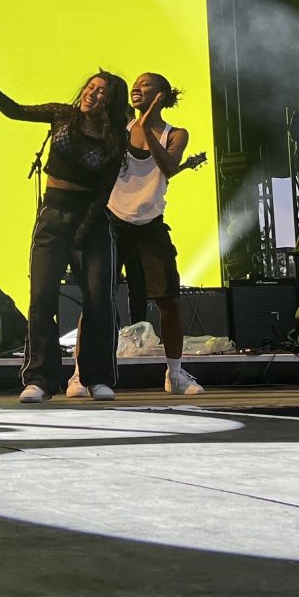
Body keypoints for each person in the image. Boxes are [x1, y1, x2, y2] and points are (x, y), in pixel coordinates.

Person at [0, 70, 132, 403]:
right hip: (53, 215)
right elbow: (17, 111)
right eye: (90, 87)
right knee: (42, 297)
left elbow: (103, 192)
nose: (92, 93)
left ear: (111, 101)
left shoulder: (115, 137)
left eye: (101, 92)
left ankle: (97, 378)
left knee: (98, 300)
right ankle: (39, 379)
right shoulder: (63, 115)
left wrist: (81, 232)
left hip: (91, 221)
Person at [111, 73, 202, 396]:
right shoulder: (121, 128)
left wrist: (148, 126)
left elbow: (169, 167)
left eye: (146, 85)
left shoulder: (174, 134)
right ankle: (82, 373)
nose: (137, 88)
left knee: (169, 301)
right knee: (97, 299)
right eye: (136, 84)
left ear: (162, 95)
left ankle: (175, 374)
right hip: (113, 220)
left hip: (150, 224)